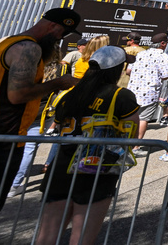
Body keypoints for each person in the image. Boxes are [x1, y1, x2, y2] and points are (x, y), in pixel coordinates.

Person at [34, 46, 139, 245]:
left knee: (47, 236)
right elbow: (131, 134)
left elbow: (58, 122)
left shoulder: (69, 95)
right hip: (95, 169)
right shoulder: (121, 96)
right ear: (116, 69)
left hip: (61, 166)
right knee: (82, 238)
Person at [0, 8, 80, 218]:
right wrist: (58, 83)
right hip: (4, 137)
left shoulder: (8, 42)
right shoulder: (28, 49)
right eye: (62, 34)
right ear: (54, 27)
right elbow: (17, 95)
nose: (60, 39)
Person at [127, 33, 168, 156]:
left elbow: (128, 71)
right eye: (166, 42)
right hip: (149, 92)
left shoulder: (140, 54)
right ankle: (135, 147)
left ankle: (124, 144)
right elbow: (166, 75)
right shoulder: (163, 56)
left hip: (132, 91)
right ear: (162, 43)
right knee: (143, 119)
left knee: (130, 117)